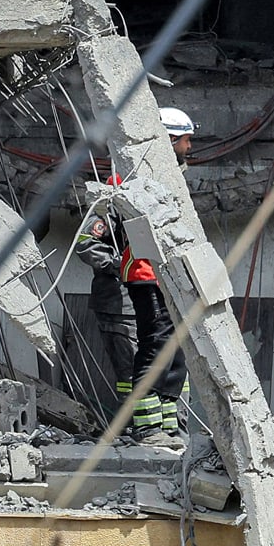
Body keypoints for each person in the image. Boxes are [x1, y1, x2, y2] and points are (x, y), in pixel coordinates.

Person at [72, 106, 197, 448]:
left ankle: (170, 428)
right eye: (184, 140)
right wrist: (119, 266)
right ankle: (145, 430)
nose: (189, 148)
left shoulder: (170, 185)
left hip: (166, 282)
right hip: (135, 287)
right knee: (145, 358)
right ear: (166, 141)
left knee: (173, 357)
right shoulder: (122, 187)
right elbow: (89, 241)